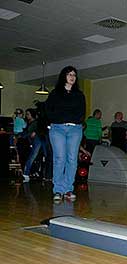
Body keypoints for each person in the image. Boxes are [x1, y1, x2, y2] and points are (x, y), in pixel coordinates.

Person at [45, 66, 86, 201]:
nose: (72, 77)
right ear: (64, 76)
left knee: (72, 159)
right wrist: (59, 119)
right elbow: (48, 111)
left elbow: (81, 114)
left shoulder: (79, 95)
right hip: (58, 129)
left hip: (75, 129)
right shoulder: (55, 94)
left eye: (74, 75)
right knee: (59, 158)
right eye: (69, 74)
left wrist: (70, 119)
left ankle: (68, 189)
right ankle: (58, 190)